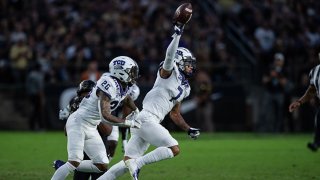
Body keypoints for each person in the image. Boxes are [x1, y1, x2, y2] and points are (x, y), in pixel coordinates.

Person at [97, 24, 200, 180]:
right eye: (187, 62)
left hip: (146, 121)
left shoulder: (186, 88)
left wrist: (188, 128)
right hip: (146, 118)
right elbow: (169, 56)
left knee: (125, 164)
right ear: (179, 62)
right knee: (173, 149)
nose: (190, 66)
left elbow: (175, 113)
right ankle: (138, 164)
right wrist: (177, 35)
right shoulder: (170, 72)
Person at [51, 56, 141, 180]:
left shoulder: (122, 85)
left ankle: (62, 165)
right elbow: (105, 116)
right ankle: (66, 167)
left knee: (102, 165)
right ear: (121, 71)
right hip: (79, 122)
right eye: (131, 72)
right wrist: (130, 123)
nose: (133, 75)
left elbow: (126, 98)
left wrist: (136, 110)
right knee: (74, 161)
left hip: (91, 126)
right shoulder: (108, 83)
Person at [289, 54, 320, 152]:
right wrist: (299, 102)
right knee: (318, 119)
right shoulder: (315, 71)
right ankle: (316, 143)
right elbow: (312, 90)